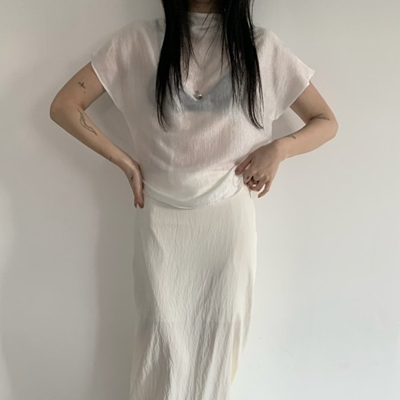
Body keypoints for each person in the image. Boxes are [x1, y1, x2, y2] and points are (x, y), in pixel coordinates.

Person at [50, 0, 338, 398]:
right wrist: (125, 162)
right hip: (160, 217)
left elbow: (325, 121)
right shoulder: (138, 41)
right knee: (160, 338)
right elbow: (65, 106)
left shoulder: (263, 48)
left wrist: (279, 149)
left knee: (221, 336)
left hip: (227, 220)